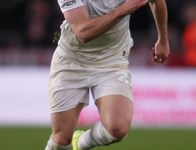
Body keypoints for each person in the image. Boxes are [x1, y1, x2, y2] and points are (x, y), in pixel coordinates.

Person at [45, 0, 170, 149]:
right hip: (72, 61)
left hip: (112, 60)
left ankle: (80, 142)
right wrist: (123, 9)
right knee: (61, 140)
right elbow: (83, 32)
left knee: (118, 129)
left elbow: (157, 1)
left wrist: (162, 39)